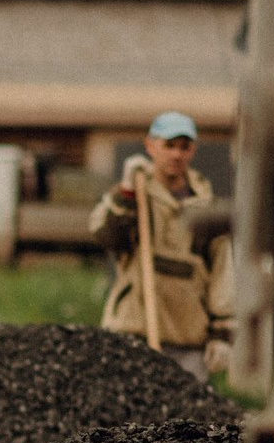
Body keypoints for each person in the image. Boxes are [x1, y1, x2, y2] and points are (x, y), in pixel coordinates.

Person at [89, 111, 234, 382]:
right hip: (133, 334)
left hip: (187, 340)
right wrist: (127, 193)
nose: (176, 154)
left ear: (193, 150)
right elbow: (106, 236)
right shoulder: (135, 195)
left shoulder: (206, 209)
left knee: (185, 408)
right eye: (169, 145)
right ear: (151, 146)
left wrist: (222, 333)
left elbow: (222, 274)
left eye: (184, 147)